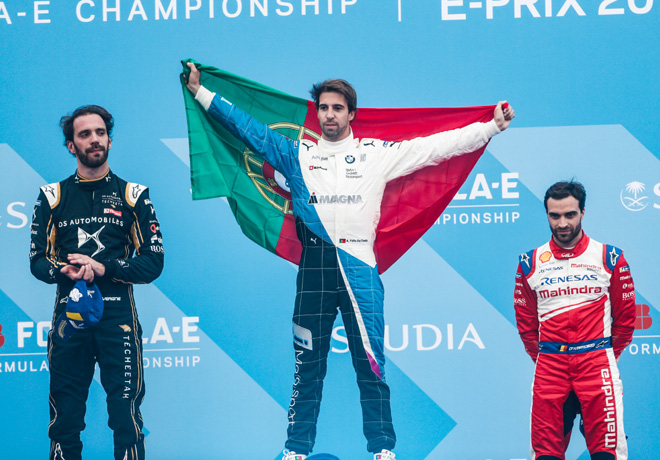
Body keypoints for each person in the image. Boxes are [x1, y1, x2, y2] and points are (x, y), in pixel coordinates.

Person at [184, 63, 514, 460]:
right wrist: (201, 92)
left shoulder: (376, 154)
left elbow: (435, 147)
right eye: (323, 108)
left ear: (351, 114)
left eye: (337, 108)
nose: (329, 115)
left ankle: (382, 449)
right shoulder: (296, 153)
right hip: (314, 273)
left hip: (360, 271)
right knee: (307, 368)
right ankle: (295, 449)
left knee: (371, 366)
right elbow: (248, 128)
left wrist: (490, 127)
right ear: (317, 113)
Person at [30, 105, 164, 460]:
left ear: (109, 140)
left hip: (118, 319)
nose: (94, 140)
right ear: (71, 145)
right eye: (85, 134)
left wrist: (103, 268)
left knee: (125, 415)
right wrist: (65, 271)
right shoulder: (52, 196)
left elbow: (153, 263)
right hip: (70, 318)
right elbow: (37, 261)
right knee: (65, 416)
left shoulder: (134, 194)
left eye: (100, 133)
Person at [514, 181, 635, 460]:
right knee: (546, 455)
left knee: (607, 454)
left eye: (570, 214)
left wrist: (603, 355)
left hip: (596, 362)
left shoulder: (609, 257)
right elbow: (527, 327)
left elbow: (625, 321)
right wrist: (549, 358)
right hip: (550, 366)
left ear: (583, 212)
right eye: (554, 216)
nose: (562, 223)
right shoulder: (529, 262)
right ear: (547, 215)